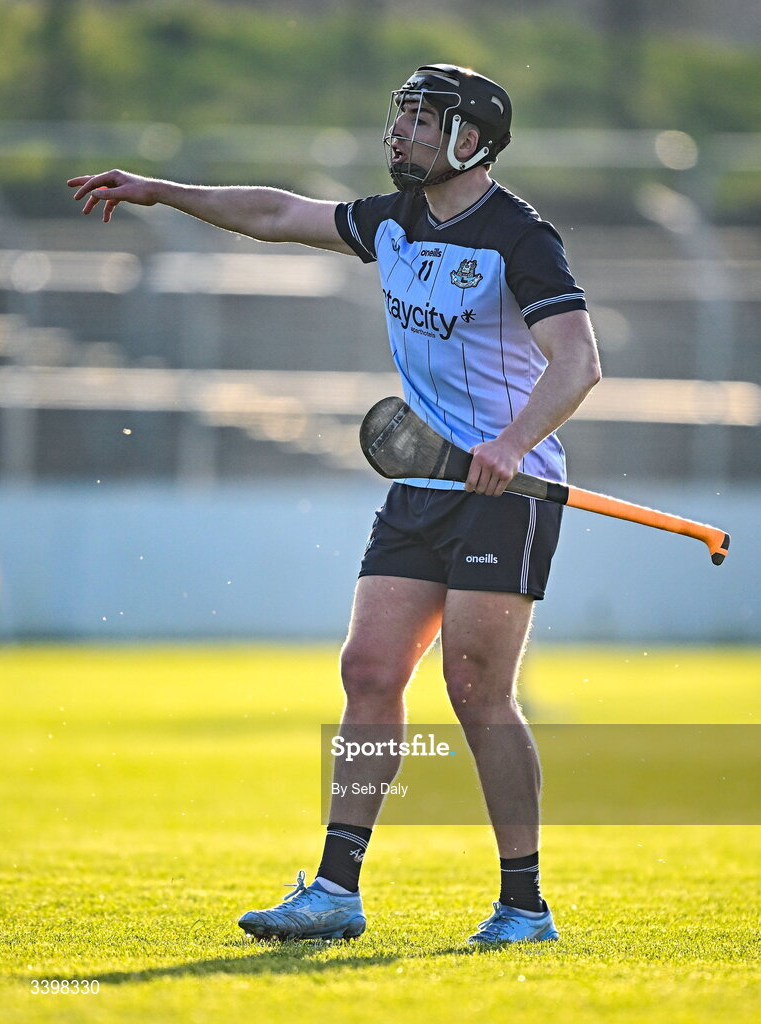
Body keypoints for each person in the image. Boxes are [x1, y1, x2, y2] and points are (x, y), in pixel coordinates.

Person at [68, 63, 601, 947]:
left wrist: (510, 444)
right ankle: (334, 891)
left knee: (474, 688)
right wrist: (163, 192)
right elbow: (278, 214)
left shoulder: (519, 237)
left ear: (468, 138)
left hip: (508, 490)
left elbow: (577, 362)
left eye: (421, 120)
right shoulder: (392, 220)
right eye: (401, 116)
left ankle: (523, 907)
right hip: (420, 484)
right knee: (368, 671)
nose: (399, 132)